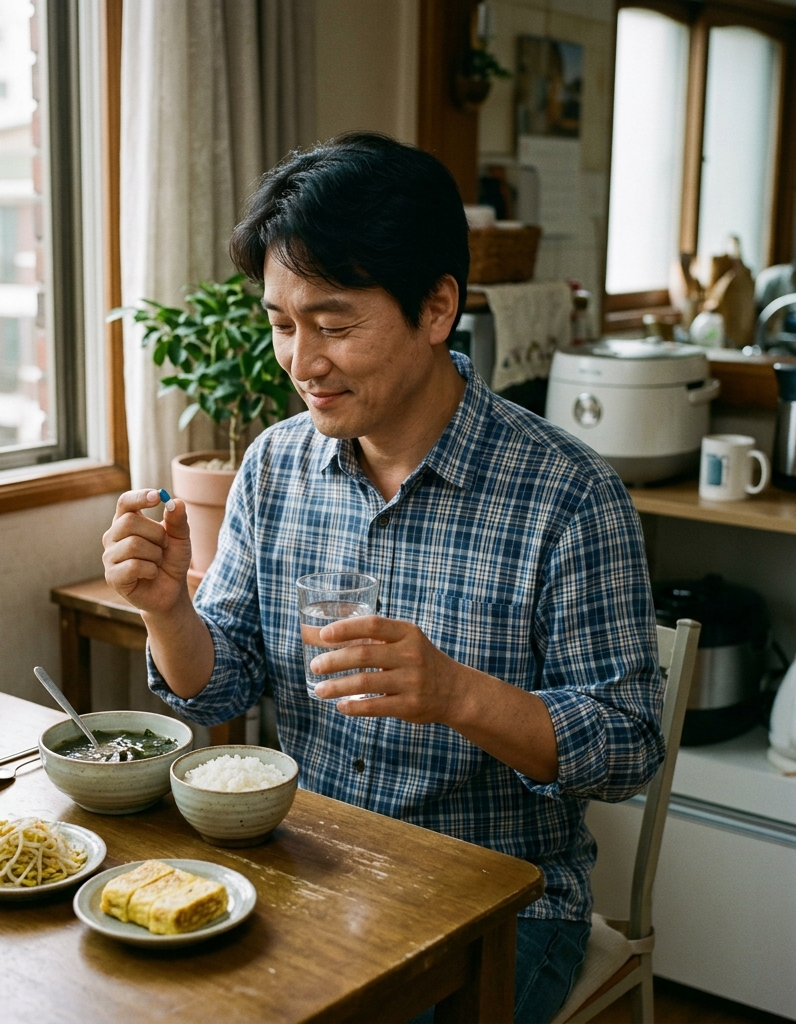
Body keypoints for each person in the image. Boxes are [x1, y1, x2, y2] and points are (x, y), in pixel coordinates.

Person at [102, 133, 664, 1024]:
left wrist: (455, 694)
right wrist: (169, 608)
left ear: (436, 308)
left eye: (333, 324)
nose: (301, 362)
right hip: (308, 861)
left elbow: (630, 746)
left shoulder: (569, 494)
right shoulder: (276, 465)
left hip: (499, 902)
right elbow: (227, 682)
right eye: (282, 324)